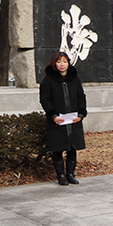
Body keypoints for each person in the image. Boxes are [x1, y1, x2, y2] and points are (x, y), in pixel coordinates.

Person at [40, 51, 87, 186]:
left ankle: (70, 174)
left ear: (68, 63)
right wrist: (53, 116)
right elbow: (45, 99)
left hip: (73, 119)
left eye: (65, 61)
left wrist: (81, 114)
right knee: (58, 148)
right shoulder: (48, 80)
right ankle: (61, 175)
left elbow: (81, 97)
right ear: (54, 63)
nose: (62, 64)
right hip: (57, 120)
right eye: (59, 61)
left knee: (72, 148)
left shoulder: (74, 79)